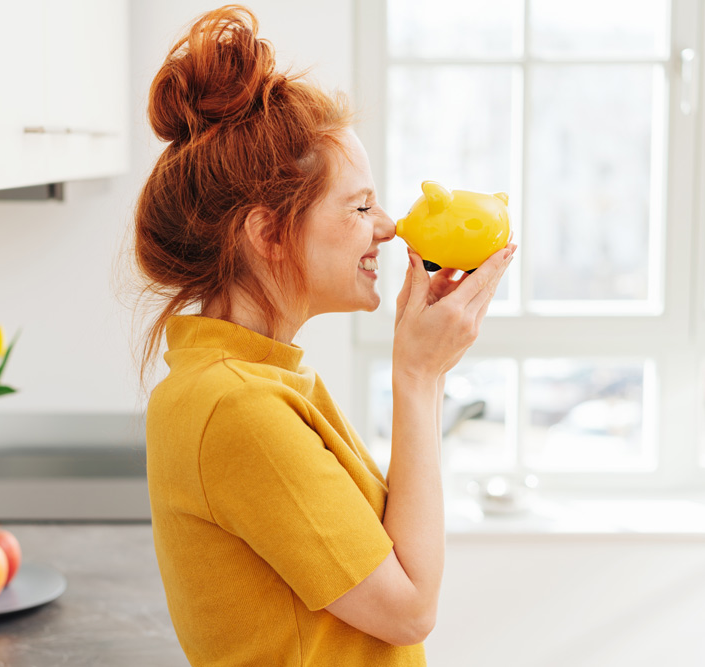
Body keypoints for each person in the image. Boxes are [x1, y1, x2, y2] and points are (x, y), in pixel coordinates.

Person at [133, 6, 516, 666]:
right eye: (360, 205)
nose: (387, 227)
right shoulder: (237, 407)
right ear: (269, 234)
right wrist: (418, 374)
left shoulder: (258, 379)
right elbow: (409, 610)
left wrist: (424, 370)